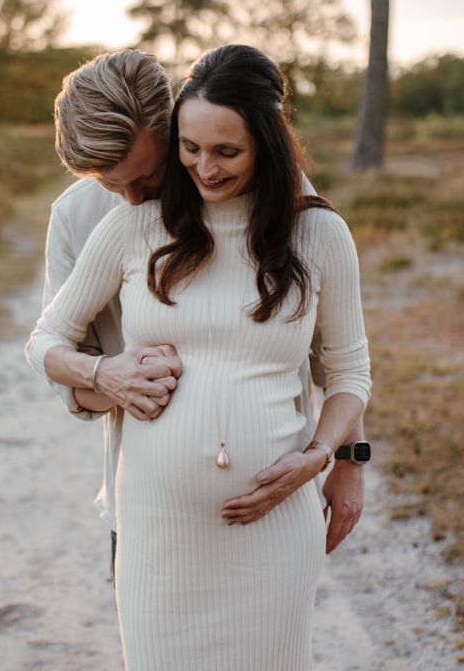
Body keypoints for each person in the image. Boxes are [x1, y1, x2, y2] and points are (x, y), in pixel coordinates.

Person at [27, 45, 372, 669]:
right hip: (151, 508)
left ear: (174, 129)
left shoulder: (273, 193)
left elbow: (335, 352)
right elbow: (58, 354)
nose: (133, 198)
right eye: (111, 182)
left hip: (272, 522)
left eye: (147, 177)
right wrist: (110, 375)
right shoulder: (85, 219)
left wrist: (346, 458)